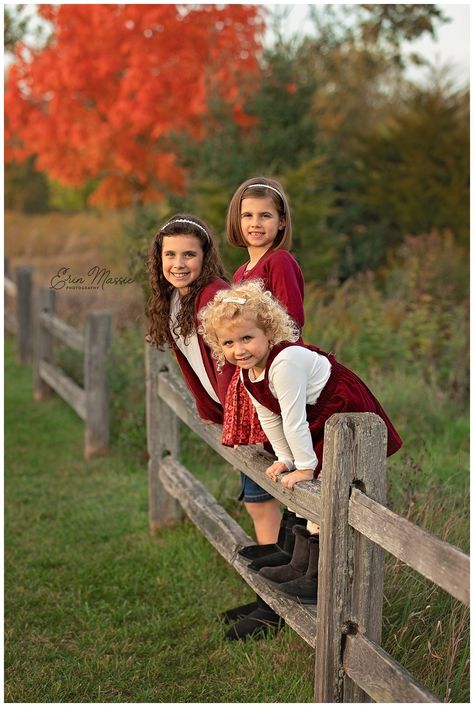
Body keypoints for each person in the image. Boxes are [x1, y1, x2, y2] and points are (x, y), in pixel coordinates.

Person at [198, 279, 403, 605]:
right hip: (314, 417)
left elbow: (292, 417)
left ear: (268, 332)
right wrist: (285, 459)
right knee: (304, 480)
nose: (239, 350)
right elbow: (270, 418)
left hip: (341, 409)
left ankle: (320, 578)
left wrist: (305, 467)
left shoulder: (285, 363)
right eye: (228, 343)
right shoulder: (249, 371)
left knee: (325, 484)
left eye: (247, 338)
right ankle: (301, 564)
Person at [224, 177, 305, 549]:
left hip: (275, 378)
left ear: (282, 222)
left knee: (283, 478)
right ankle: (272, 574)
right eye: (247, 215)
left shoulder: (279, 262)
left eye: (265, 215)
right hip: (252, 379)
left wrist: (267, 370)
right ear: (237, 221)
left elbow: (289, 325)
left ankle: (291, 570)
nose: (255, 223)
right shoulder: (242, 272)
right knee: (259, 484)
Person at [146, 214, 234, 423]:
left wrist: (234, 419)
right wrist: (211, 413)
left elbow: (229, 365)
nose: (178, 264)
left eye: (188, 255)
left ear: (205, 256)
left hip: (256, 412)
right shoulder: (173, 297)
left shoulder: (215, 297)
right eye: (170, 254)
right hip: (227, 412)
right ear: (160, 257)